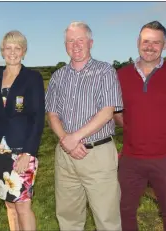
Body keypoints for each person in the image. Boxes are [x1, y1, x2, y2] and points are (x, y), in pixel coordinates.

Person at [45, 21, 123, 231]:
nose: (76, 45)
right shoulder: (58, 76)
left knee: (107, 219)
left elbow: (107, 112)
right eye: (71, 41)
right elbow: (52, 114)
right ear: (65, 45)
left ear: (90, 42)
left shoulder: (105, 71)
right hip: (65, 156)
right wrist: (66, 140)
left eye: (80, 40)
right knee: (68, 218)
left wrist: (74, 137)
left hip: (98, 154)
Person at [114, 21, 166, 231]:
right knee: (125, 210)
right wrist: (132, 129)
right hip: (130, 158)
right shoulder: (121, 75)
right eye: (146, 41)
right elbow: (115, 110)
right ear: (138, 42)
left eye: (156, 42)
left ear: (165, 45)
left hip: (165, 159)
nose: (150, 46)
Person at [0, 30, 45, 231]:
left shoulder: (32, 78)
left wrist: (29, 153)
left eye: (17, 48)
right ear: (2, 51)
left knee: (23, 205)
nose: (12, 52)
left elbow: (38, 118)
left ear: (24, 52)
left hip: (22, 150)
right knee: (9, 203)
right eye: (8, 48)